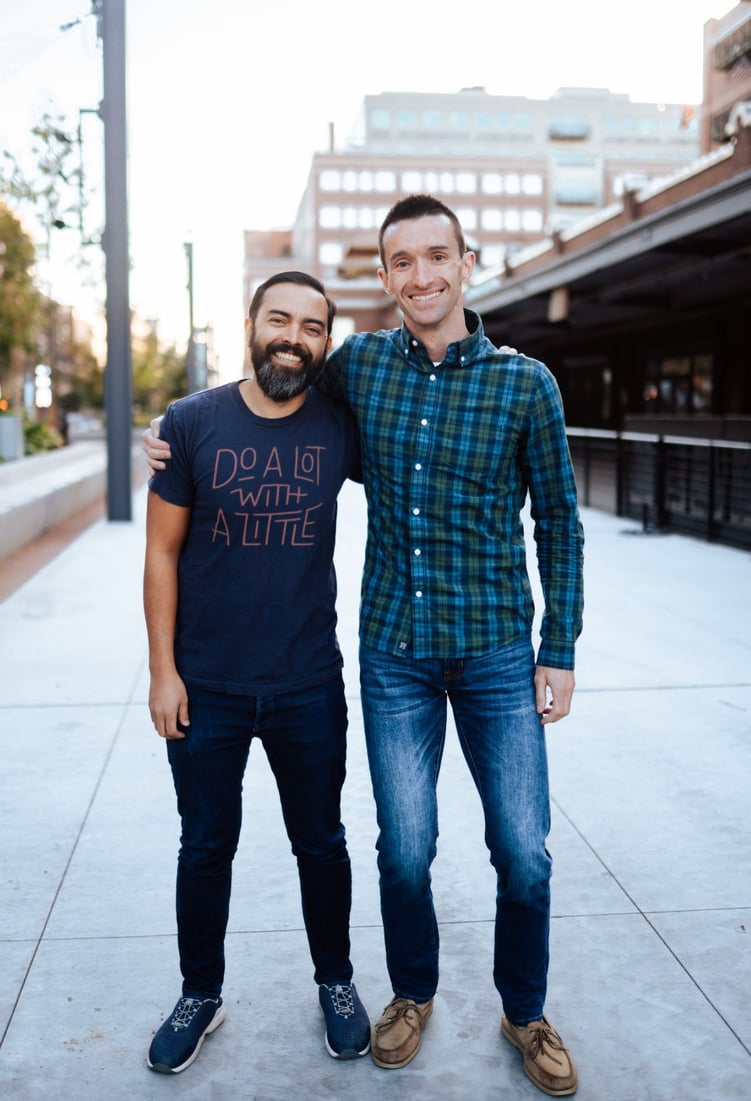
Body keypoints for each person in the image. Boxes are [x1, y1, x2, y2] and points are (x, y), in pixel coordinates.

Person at [144, 195, 584, 1096]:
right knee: (403, 849)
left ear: (466, 263)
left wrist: (559, 643)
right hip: (393, 652)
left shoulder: (524, 382)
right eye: (401, 262)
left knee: (524, 851)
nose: (420, 276)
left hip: (497, 646)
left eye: (436, 257)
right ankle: (410, 993)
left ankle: (525, 1010)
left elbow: (560, 527)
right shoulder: (362, 370)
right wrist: (164, 440)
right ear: (383, 277)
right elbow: (266, 394)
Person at [142, 271, 370, 1075]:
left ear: (324, 342)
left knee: (322, 842)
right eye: (280, 318)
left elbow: (423, 467)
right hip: (207, 685)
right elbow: (160, 554)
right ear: (250, 323)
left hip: (308, 681)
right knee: (205, 844)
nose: (293, 337)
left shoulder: (342, 425)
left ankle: (336, 982)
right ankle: (199, 992)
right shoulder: (191, 422)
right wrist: (162, 671)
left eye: (312, 327)